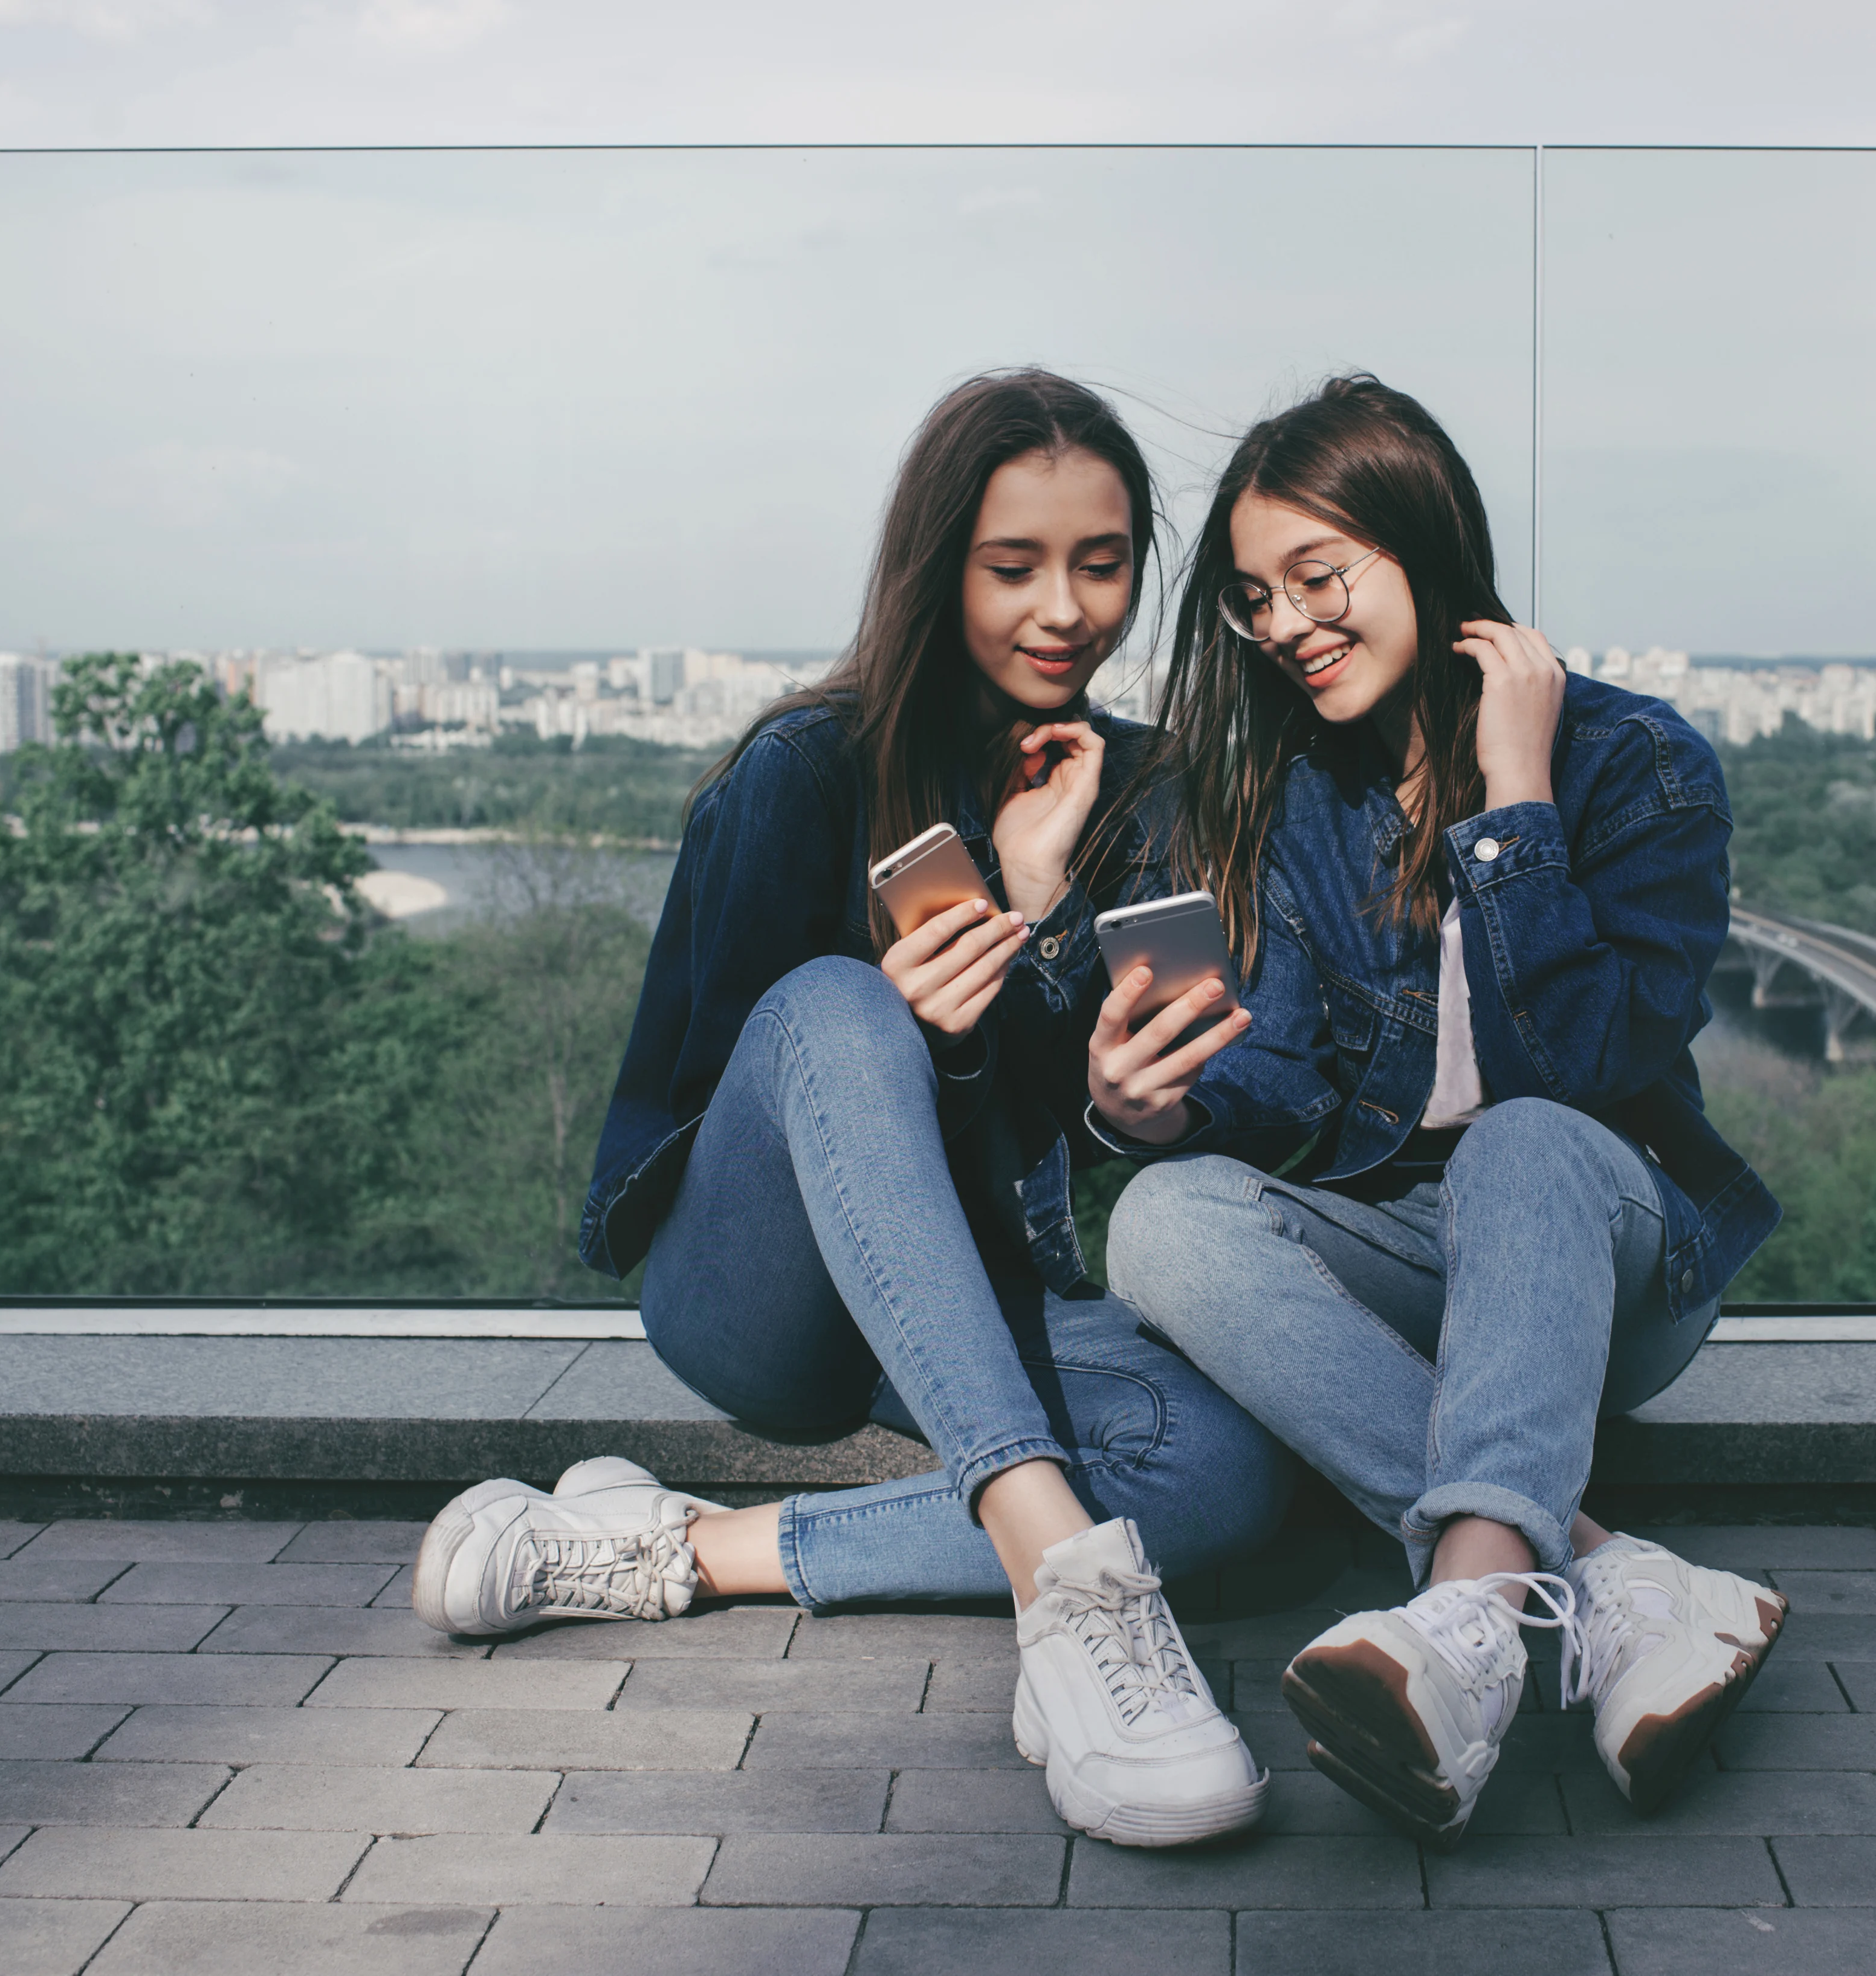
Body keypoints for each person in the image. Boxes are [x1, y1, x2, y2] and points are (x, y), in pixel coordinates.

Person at [410, 369, 1288, 1849]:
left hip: (993, 1302)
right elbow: (723, 1109)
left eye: (1103, 560)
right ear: (934, 563)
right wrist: (923, 1034)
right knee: (838, 1000)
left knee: (1229, 1470)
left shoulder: (1144, 791)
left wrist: (1045, 914)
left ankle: (674, 1549)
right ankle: (1078, 1607)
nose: (1062, 609)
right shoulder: (802, 772)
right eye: (1012, 566)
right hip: (765, 1299)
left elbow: (1091, 1160)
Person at [1093, 375, 1788, 1847]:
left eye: (1316, 577)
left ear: (1426, 544)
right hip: (1407, 1256)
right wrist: (1148, 1106)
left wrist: (1513, 801)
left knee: (1526, 1137)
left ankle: (1464, 1610)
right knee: (1158, 1217)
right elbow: (1280, 1089)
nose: (1281, 626)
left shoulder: (1634, 763)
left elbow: (1587, 1071)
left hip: (1604, 1254)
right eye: (1252, 597)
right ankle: (1608, 1579)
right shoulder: (1293, 794)